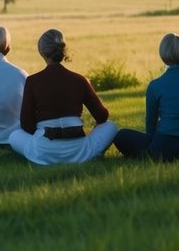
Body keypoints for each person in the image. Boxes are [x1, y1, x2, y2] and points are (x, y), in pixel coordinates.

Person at [9, 29, 119, 164]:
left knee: (14, 135)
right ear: (63, 50)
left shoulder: (32, 81)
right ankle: (91, 155)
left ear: (42, 52)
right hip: (79, 151)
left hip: (43, 151)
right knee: (110, 126)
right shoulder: (80, 80)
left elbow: (26, 124)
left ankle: (41, 157)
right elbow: (102, 117)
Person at [114, 33, 179, 161]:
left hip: (168, 146)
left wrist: (154, 140)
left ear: (162, 54)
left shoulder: (155, 85)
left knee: (122, 136)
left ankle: (151, 155)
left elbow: (151, 124)